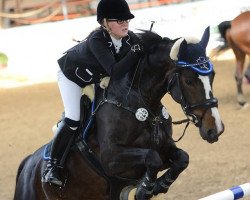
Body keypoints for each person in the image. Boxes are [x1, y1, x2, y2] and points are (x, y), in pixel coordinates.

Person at [42, 0, 144, 186]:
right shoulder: (97, 39)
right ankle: (52, 165)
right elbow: (114, 71)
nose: (125, 24)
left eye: (127, 20)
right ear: (105, 23)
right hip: (71, 76)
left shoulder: (130, 38)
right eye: (119, 20)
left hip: (95, 79)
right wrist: (134, 54)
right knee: (74, 118)